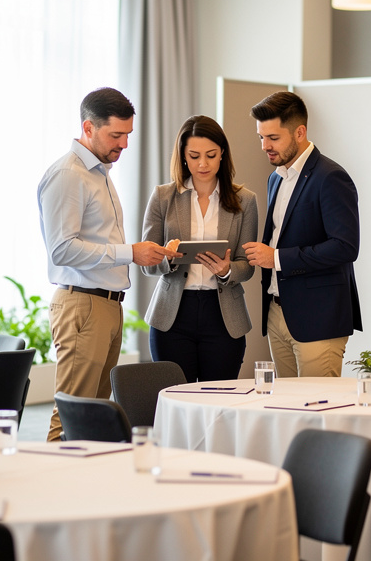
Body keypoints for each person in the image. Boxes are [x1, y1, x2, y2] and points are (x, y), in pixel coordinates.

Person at [37, 88, 176, 442]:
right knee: (71, 411)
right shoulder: (69, 175)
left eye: (128, 134)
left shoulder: (100, 173)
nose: (124, 144)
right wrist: (130, 253)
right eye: (116, 135)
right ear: (88, 128)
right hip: (82, 304)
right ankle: (51, 490)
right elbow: (62, 250)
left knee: (94, 415)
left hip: (106, 305)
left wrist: (144, 252)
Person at [242, 91, 361, 378]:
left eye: (273, 138)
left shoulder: (331, 177)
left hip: (318, 319)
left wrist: (277, 258)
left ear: (300, 132)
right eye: (261, 137)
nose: (264, 146)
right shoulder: (275, 178)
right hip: (277, 314)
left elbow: (345, 247)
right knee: (287, 411)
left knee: (317, 411)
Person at [140, 115, 260, 383]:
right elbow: (147, 263)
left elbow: (247, 264)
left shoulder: (245, 201)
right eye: (194, 156)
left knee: (218, 401)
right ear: (183, 156)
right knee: (175, 399)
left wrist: (228, 270)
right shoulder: (162, 197)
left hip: (223, 316)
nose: (203, 164)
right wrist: (168, 259)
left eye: (211, 155)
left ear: (222, 155)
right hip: (172, 315)